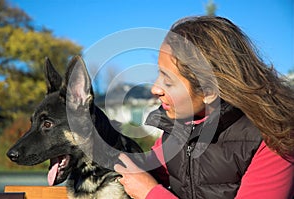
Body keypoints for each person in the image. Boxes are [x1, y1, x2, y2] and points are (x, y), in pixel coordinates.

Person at [114, 16, 294, 199]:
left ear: (209, 92)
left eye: (168, 81)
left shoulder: (274, 141)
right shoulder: (178, 126)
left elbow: (145, 186)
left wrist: (150, 194)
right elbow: (141, 170)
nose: (155, 89)